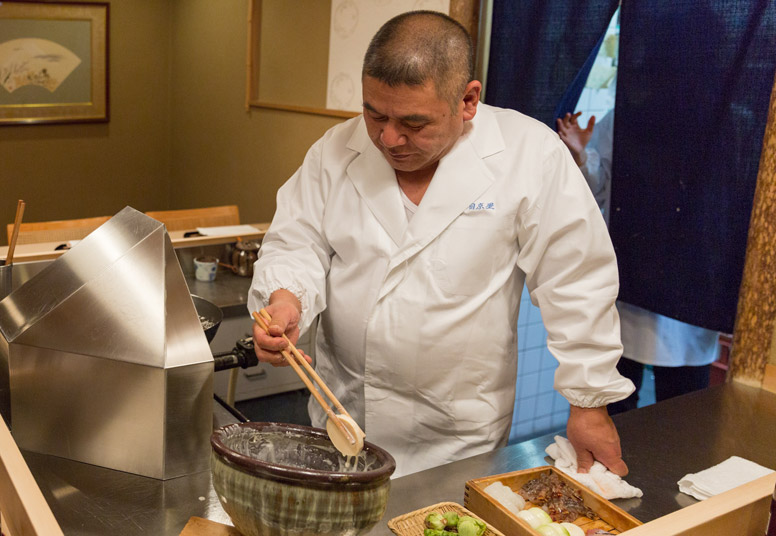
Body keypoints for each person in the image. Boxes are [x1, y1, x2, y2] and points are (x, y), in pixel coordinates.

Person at [249, 11, 635, 478]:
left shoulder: (530, 156)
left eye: (413, 123)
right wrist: (286, 297)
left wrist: (589, 402)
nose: (389, 138)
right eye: (375, 113)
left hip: (457, 435)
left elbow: (576, 279)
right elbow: (299, 239)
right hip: (346, 416)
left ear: (468, 100)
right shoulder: (336, 149)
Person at [557, 110, 721, 415]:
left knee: (683, 415)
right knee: (616, 408)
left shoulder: (719, 112)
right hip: (629, 277)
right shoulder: (625, 113)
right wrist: (580, 157)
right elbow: (599, 188)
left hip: (690, 287)